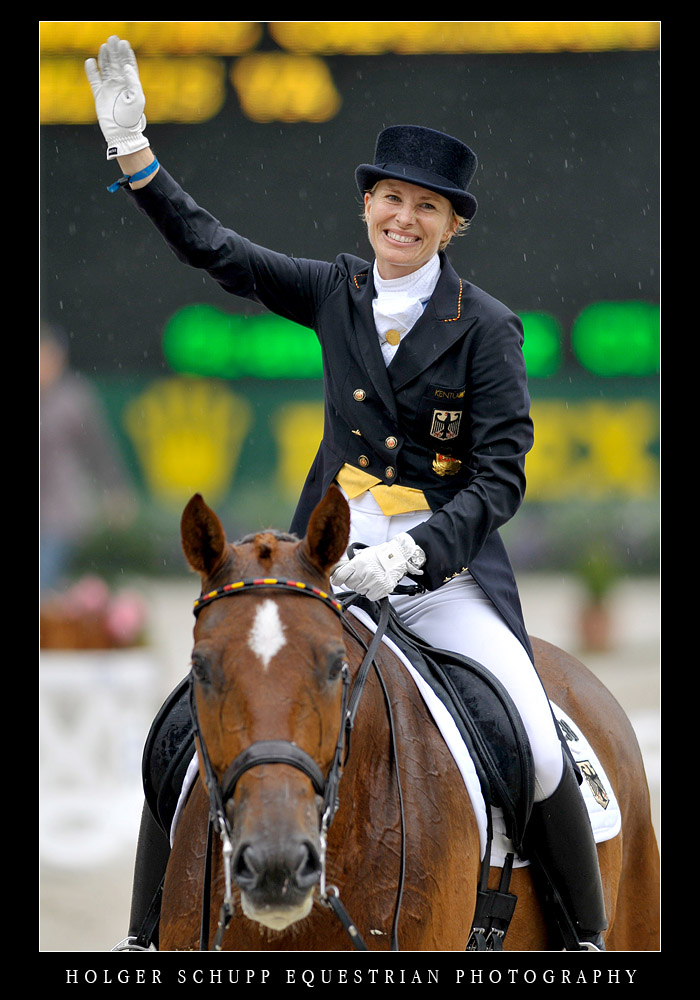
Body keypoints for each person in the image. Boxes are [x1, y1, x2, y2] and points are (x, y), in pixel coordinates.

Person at [85, 35, 607, 952]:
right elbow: (218, 253)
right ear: (369, 205)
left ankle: (582, 939)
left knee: (531, 737)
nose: (405, 218)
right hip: (316, 567)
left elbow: (502, 477)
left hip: (439, 576)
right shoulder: (336, 290)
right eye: (392, 199)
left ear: (453, 227)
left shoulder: (487, 329)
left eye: (427, 208)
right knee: (182, 725)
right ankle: (143, 935)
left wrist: (415, 552)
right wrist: (137, 158)